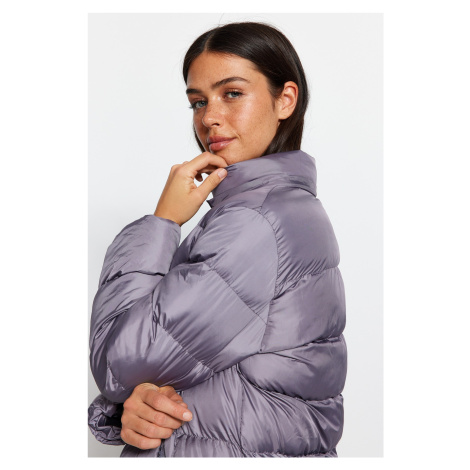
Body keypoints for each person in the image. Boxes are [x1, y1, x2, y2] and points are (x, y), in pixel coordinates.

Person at [88, 21, 347, 458]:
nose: (209, 117)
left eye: (232, 93)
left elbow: (119, 363)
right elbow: (176, 374)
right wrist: (138, 404)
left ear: (285, 99)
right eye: (198, 101)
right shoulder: (279, 210)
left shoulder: (256, 222)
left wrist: (163, 221)